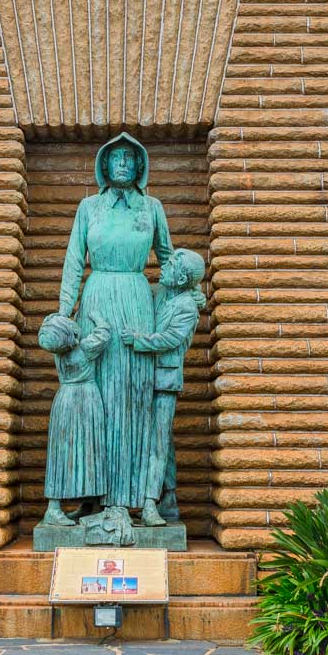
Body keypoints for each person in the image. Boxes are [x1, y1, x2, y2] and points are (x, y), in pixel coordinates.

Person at [58, 133, 173, 516]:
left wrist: (188, 297)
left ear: (139, 165)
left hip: (138, 303)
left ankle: (136, 498)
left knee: (136, 399)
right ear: (104, 165)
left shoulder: (152, 207)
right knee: (98, 402)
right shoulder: (88, 208)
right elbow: (75, 261)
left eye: (129, 157)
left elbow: (170, 262)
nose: (122, 163)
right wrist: (64, 314)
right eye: (115, 157)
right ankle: (95, 496)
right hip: (98, 301)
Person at [121, 248, 206, 526]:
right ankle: (168, 496)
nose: (164, 266)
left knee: (157, 444)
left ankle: (149, 505)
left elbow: (169, 339)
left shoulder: (186, 308)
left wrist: (138, 340)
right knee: (162, 442)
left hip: (165, 381)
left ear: (181, 279)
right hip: (143, 376)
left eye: (171, 266)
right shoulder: (159, 292)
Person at [37, 313, 110, 526]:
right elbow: (104, 334)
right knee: (87, 452)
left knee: (66, 453)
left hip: (65, 400)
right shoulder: (84, 349)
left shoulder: (58, 352)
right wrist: (97, 317)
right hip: (85, 400)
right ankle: (54, 508)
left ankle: (89, 503)